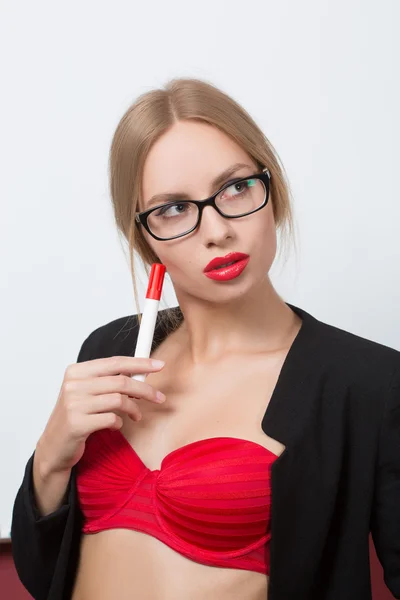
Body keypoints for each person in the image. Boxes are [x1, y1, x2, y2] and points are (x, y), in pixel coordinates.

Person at [11, 77, 400, 600]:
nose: (216, 230)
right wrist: (50, 457)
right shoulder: (110, 350)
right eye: (173, 208)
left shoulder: (369, 384)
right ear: (144, 237)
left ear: (273, 191)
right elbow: (44, 576)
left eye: (236, 187)